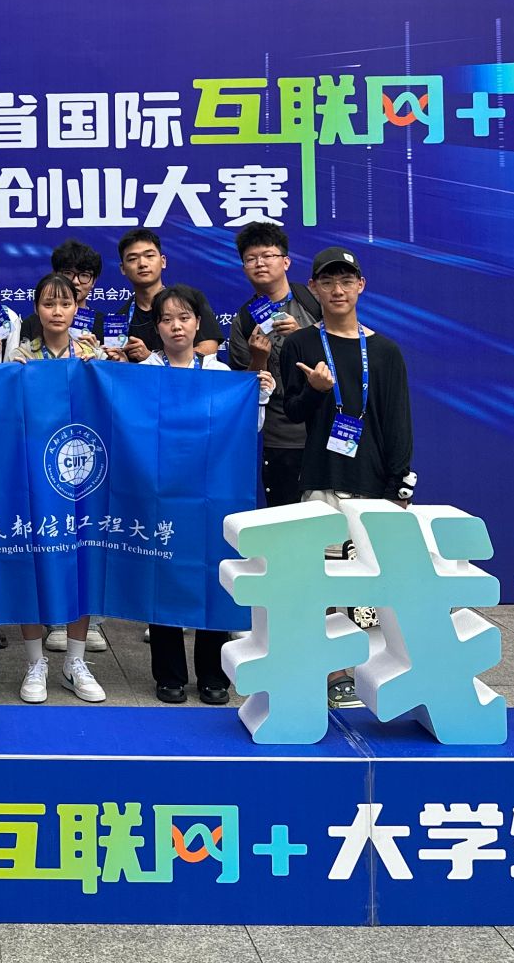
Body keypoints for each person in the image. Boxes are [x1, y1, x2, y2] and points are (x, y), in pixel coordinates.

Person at [274, 245, 415, 708]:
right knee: (326, 584)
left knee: (372, 587)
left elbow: (397, 422)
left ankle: (370, 671)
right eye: (328, 282)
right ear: (313, 288)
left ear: (361, 286)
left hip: (374, 486)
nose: (338, 290)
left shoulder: (386, 351)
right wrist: (317, 391)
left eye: (346, 281)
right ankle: (333, 672)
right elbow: (293, 411)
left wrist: (399, 486)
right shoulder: (300, 344)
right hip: (321, 479)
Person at [141, 284, 271, 706]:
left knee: (213, 574)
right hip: (161, 492)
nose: (176, 326)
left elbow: (247, 429)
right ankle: (169, 674)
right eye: (166, 319)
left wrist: (257, 391)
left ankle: (213, 674)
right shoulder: (144, 373)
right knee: (163, 574)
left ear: (199, 324)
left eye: (184, 318)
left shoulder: (218, 371)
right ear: (157, 327)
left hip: (211, 493)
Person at [3, 273, 107, 704]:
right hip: (33, 471)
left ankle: (75, 662)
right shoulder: (20, 355)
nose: (57, 311)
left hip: (83, 474)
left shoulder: (92, 353)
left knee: (81, 560)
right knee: (33, 562)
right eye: (49, 304)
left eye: (65, 304)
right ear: (37, 309)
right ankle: (35, 662)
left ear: (77, 308)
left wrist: (106, 368)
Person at [223, 222, 322, 508]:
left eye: (268, 255)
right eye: (251, 259)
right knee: (285, 517)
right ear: (244, 268)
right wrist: (259, 358)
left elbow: (341, 355)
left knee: (332, 520)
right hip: (280, 436)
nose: (260, 263)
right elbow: (243, 390)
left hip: (323, 427)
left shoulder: (314, 302)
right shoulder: (244, 319)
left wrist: (302, 337)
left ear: (286, 262)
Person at [116, 226, 223, 362]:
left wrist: (152, 359)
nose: (142, 264)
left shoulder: (191, 299)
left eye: (149, 256)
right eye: (132, 259)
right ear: (123, 269)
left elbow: (209, 348)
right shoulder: (120, 318)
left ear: (163, 261)